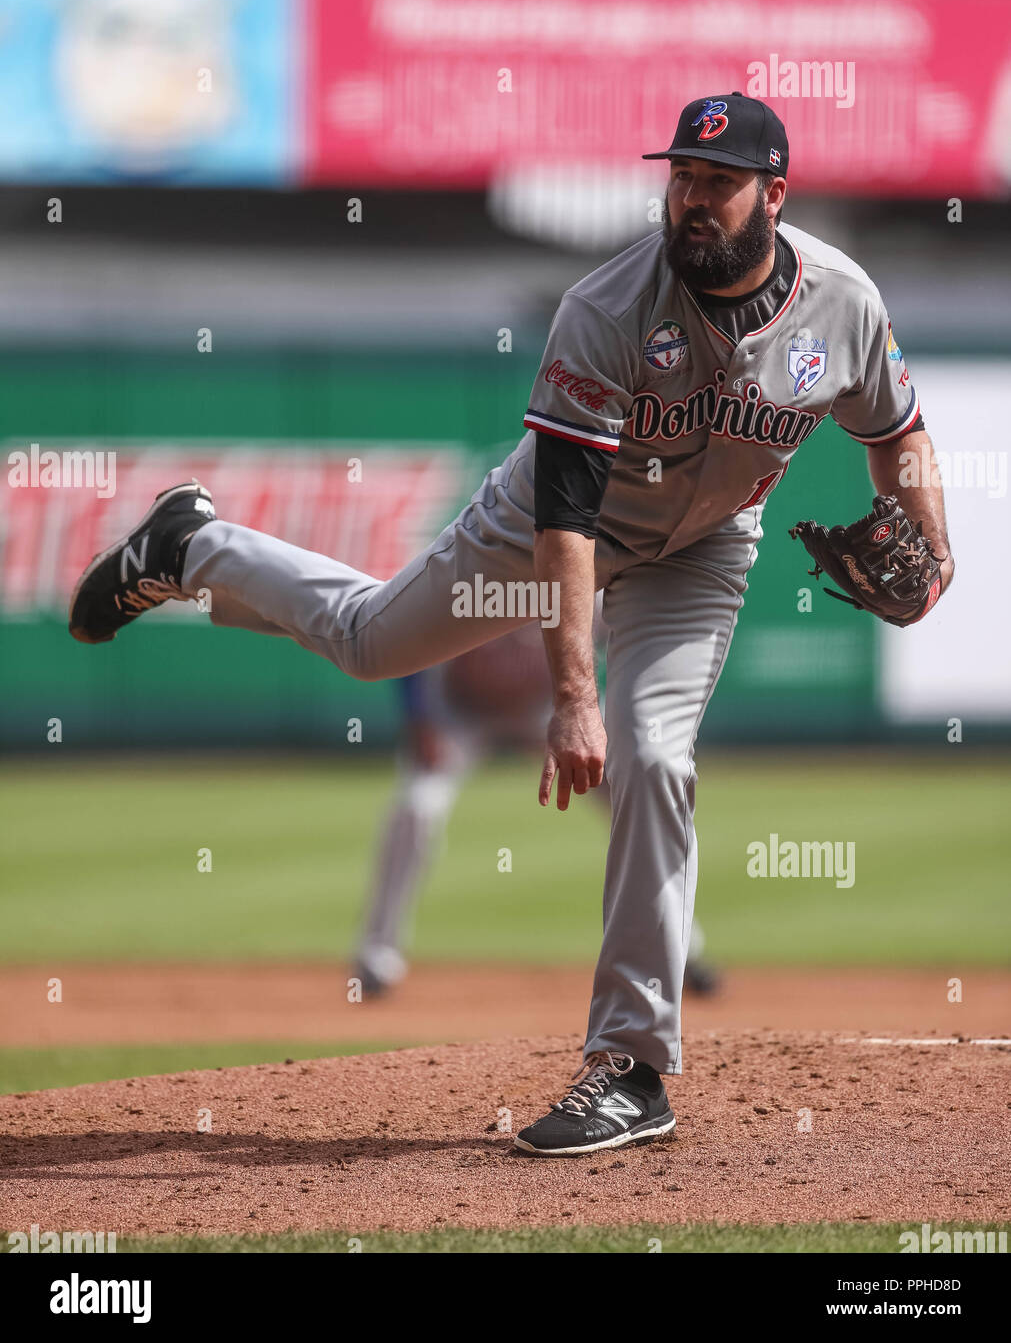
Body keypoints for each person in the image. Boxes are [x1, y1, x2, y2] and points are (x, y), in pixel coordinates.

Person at [70, 93, 953, 1157]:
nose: (692, 199)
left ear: (775, 192)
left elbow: (899, 436)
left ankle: (631, 1068)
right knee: (366, 644)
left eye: (717, 182)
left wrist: (933, 548)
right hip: (550, 525)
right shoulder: (607, 306)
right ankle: (193, 544)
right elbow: (568, 524)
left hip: (709, 549)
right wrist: (573, 696)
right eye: (681, 177)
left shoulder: (843, 303)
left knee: (658, 756)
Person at [354, 625, 721, 999]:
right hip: (459, 713)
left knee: (637, 796)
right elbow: (413, 636)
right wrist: (420, 717)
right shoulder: (467, 568)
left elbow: (638, 636)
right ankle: (377, 957)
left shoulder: (582, 579)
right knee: (417, 807)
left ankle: (683, 949)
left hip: (548, 707)